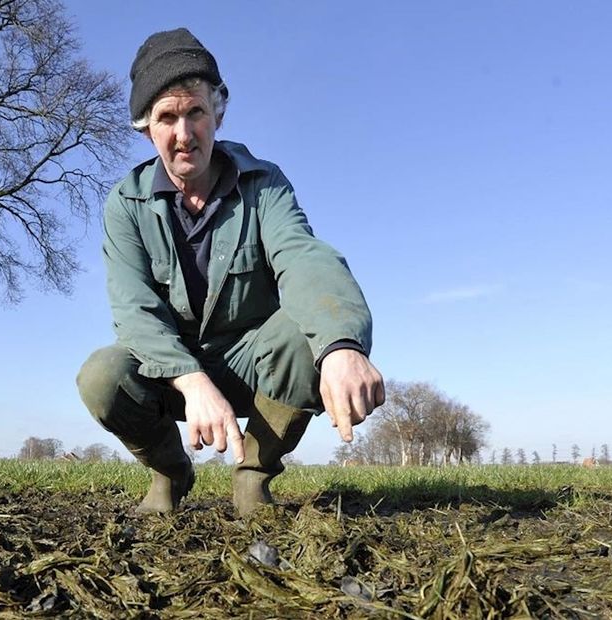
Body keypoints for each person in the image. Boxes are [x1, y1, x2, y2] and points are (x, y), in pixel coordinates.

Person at [77, 28, 384, 516]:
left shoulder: (265, 183)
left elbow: (302, 256)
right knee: (102, 376)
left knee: (308, 336)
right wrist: (191, 379)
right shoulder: (124, 204)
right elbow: (135, 311)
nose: (184, 133)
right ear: (145, 127)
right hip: (173, 375)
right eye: (167, 117)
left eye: (195, 111)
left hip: (252, 365)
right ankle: (170, 472)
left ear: (217, 110)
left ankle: (253, 478)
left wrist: (341, 343)